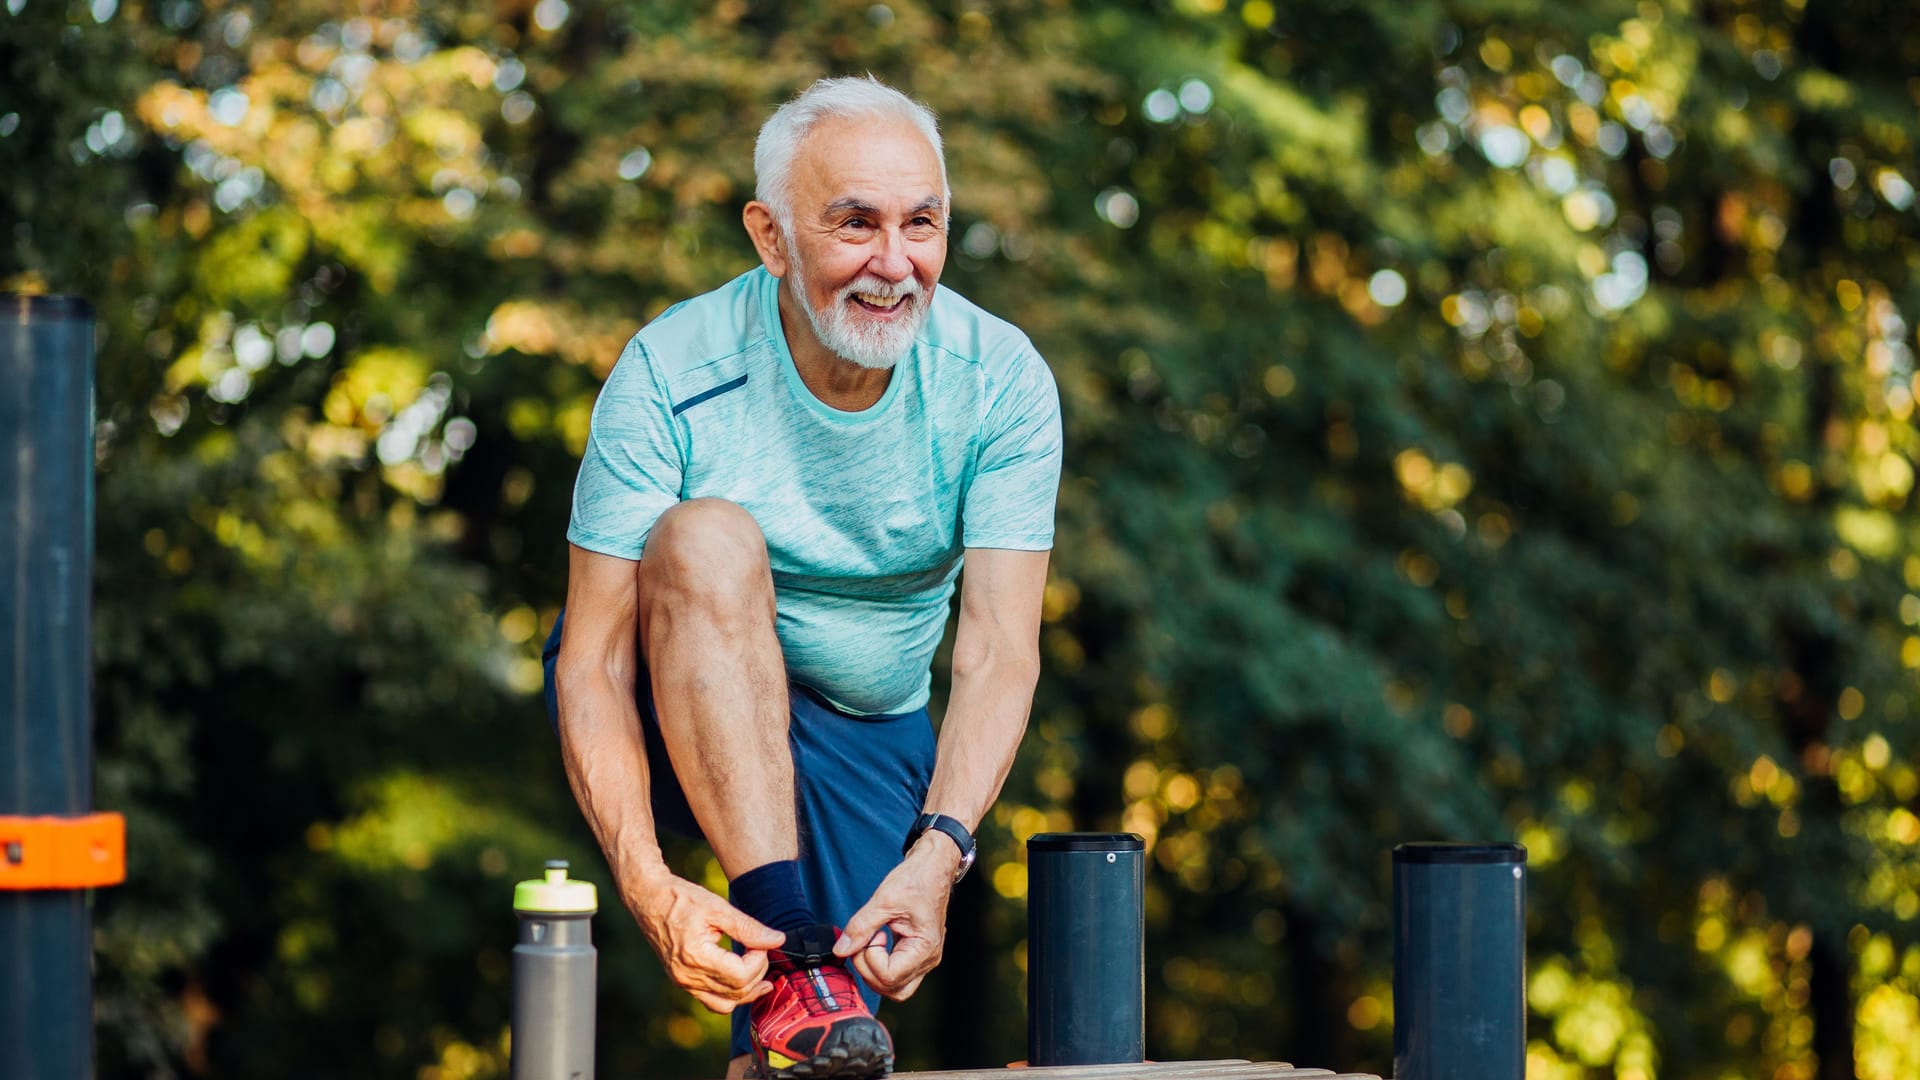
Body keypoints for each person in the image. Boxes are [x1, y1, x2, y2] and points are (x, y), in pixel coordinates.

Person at [542, 76, 1063, 1080]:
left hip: (864, 730)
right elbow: (595, 660)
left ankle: (793, 999)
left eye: (922, 223)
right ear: (770, 238)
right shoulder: (669, 371)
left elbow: (1001, 651)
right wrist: (647, 883)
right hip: (667, 690)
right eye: (854, 224)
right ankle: (789, 925)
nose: (895, 263)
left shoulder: (999, 380)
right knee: (703, 536)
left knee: (820, 1056)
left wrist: (940, 851)